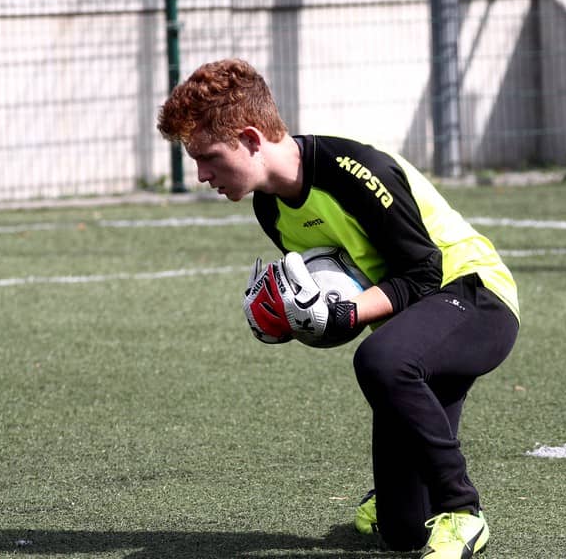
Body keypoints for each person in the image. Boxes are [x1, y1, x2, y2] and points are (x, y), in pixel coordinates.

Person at [157, 58, 519, 559]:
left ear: (250, 139)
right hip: (411, 327)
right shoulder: (270, 207)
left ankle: (462, 511)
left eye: (208, 157)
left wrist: (344, 314)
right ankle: (398, 501)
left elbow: (423, 274)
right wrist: (298, 317)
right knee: (402, 531)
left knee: (383, 360)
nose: (201, 175)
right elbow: (346, 296)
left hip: (475, 296)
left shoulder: (353, 169)